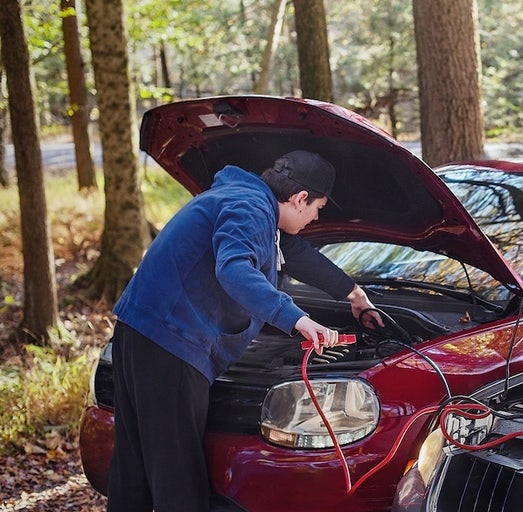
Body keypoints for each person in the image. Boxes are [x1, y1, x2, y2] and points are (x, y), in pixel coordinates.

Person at [106, 150, 384, 511]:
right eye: (318, 208)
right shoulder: (250, 208)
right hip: (172, 343)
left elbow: (296, 254)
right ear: (300, 198)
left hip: (139, 332)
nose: (317, 218)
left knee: (134, 469)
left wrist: (353, 293)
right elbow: (234, 269)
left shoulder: (245, 199)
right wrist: (296, 319)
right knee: (177, 477)